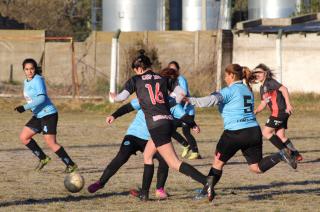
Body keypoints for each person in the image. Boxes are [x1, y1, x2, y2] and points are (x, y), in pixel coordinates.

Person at [109, 50, 210, 201]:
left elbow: (120, 98)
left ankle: (207, 182)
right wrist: (168, 102)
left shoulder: (136, 80)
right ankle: (144, 193)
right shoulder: (162, 78)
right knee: (148, 155)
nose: (136, 72)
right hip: (167, 121)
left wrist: (114, 97)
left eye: (135, 70)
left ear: (138, 68)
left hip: (156, 126)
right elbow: (181, 93)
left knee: (174, 163)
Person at [186, 64, 297, 201]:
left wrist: (190, 100)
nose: (225, 78)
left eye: (226, 75)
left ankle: (205, 191)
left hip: (235, 133)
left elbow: (211, 100)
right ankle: (280, 154)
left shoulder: (229, 91)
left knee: (218, 164)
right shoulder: (246, 90)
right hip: (253, 131)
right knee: (256, 167)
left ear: (232, 76)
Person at [14, 58, 77, 173]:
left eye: (32, 69)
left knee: (50, 142)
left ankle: (70, 164)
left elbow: (42, 98)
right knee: (24, 137)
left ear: (35, 69)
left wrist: (24, 107)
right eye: (27, 69)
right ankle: (43, 158)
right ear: (23, 70)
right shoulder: (26, 81)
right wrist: (30, 107)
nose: (29, 71)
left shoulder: (38, 80)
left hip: (48, 114)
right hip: (38, 115)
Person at [253, 63, 302, 161]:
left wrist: (288, 104)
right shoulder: (262, 88)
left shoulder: (270, 82)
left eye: (259, 72)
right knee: (280, 136)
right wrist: (255, 111)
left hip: (279, 112)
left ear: (265, 73)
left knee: (266, 132)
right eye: (255, 72)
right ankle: (296, 155)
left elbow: (284, 89)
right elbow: (263, 103)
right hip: (279, 113)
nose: (257, 74)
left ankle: (285, 152)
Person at [168, 61, 201, 159]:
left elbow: (184, 93)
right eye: (170, 69)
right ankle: (186, 145)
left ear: (178, 70)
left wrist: (172, 96)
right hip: (179, 111)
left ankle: (195, 152)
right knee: (170, 129)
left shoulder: (180, 79)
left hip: (187, 110)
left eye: (174, 69)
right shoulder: (170, 81)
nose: (172, 71)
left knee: (186, 132)